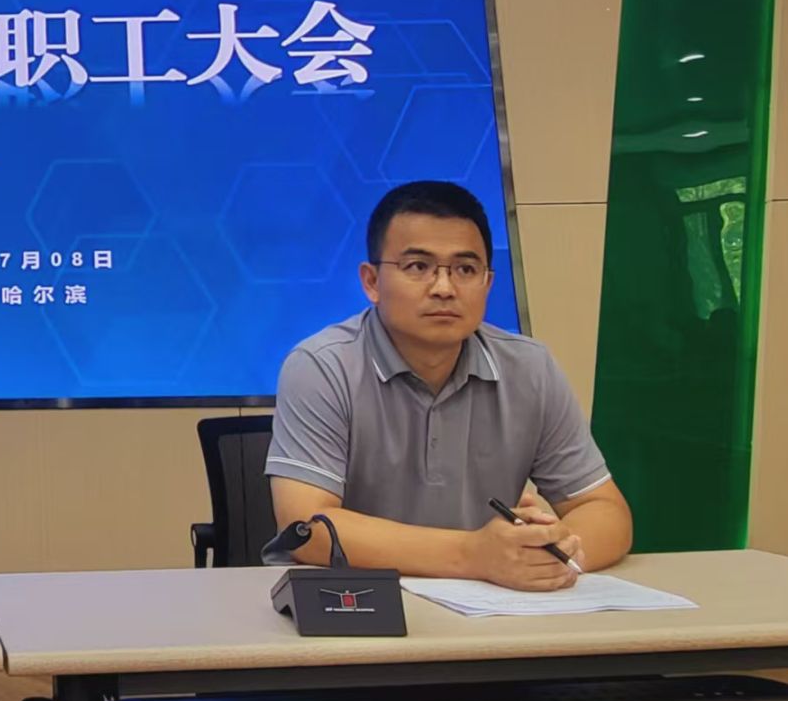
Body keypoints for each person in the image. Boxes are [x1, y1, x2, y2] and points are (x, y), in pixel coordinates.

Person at [267, 180, 632, 590]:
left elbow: (604, 510)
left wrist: (555, 552)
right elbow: (306, 528)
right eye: (418, 267)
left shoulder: (530, 369)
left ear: (487, 283)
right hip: (356, 603)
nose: (444, 288)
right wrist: (475, 555)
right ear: (371, 282)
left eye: (465, 270)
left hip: (490, 608)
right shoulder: (323, 366)